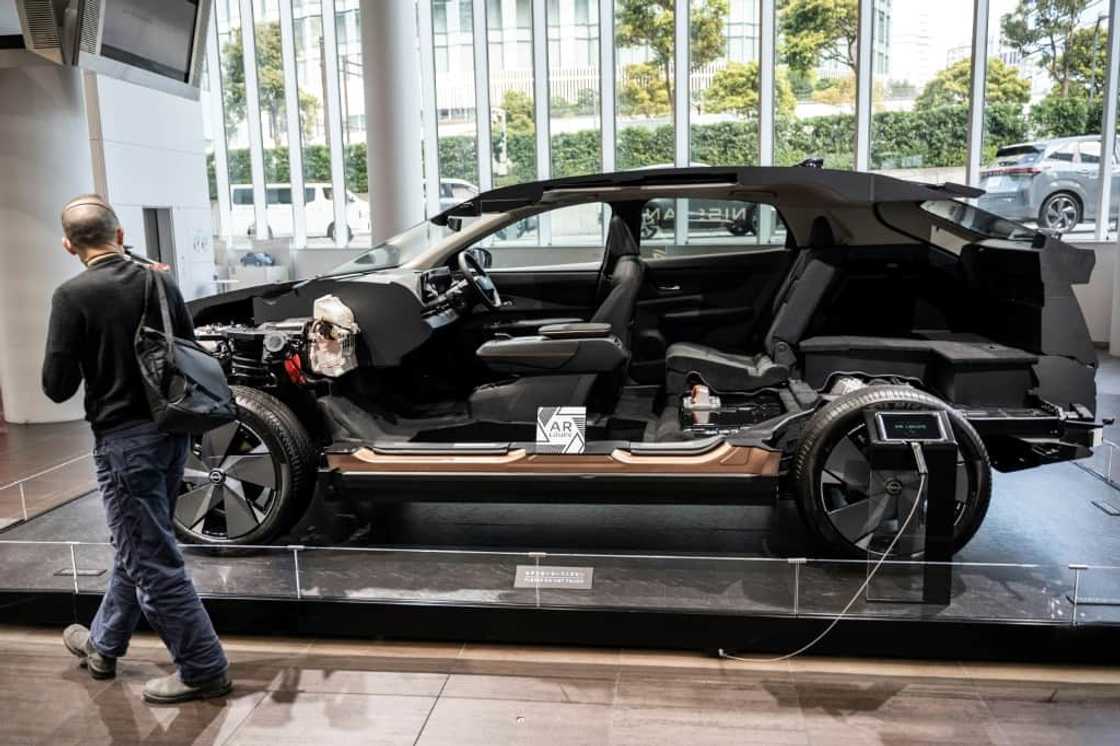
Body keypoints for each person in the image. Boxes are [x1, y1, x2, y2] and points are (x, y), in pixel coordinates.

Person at [42, 194, 231, 705]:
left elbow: (55, 386)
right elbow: (187, 348)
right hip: (172, 430)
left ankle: (203, 667)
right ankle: (104, 646)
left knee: (151, 557)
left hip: (123, 443)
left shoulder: (71, 295)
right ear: (120, 235)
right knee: (138, 542)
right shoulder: (158, 279)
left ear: (68, 245)